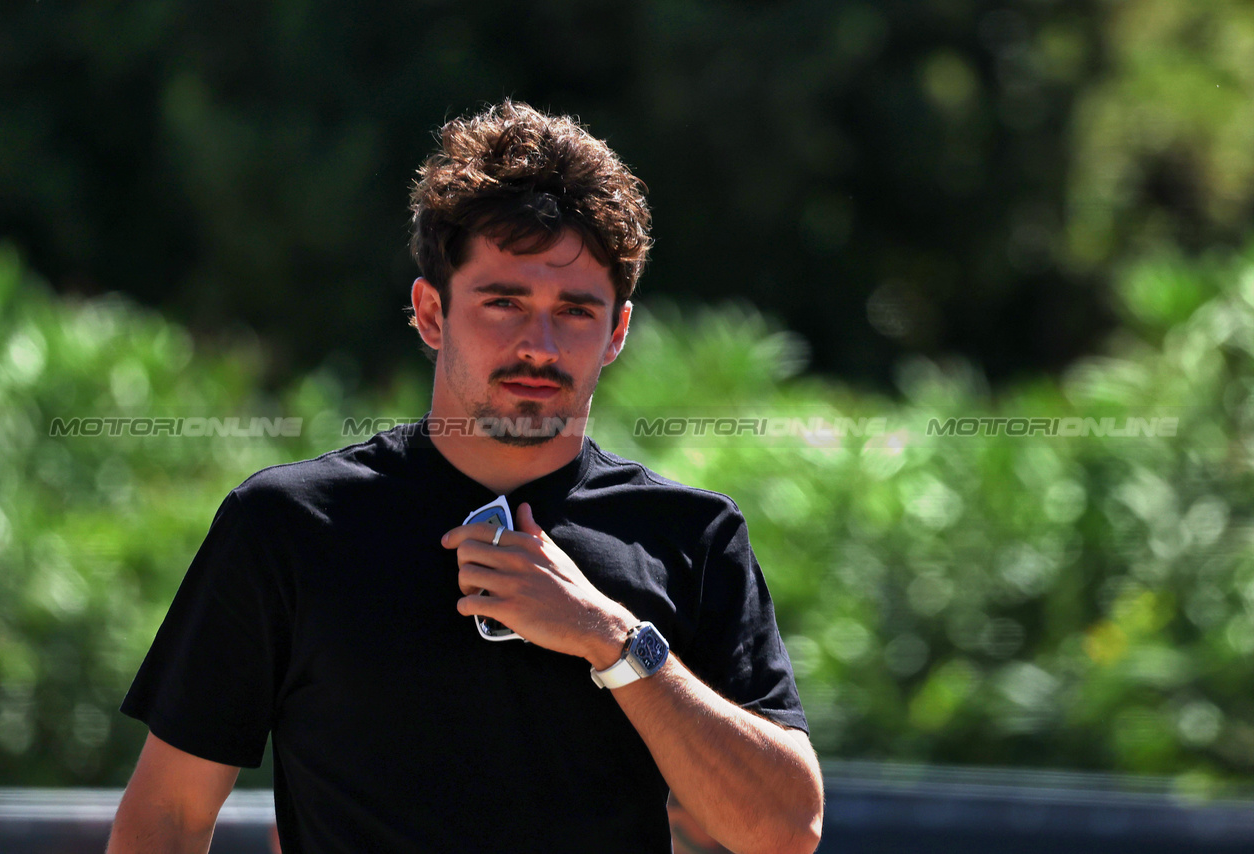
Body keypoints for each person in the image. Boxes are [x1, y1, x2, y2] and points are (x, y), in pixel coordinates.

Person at [107, 100, 824, 854]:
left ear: (617, 331)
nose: (539, 344)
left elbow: (785, 829)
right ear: (430, 313)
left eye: (575, 310)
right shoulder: (287, 525)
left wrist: (610, 638)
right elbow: (168, 819)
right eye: (504, 301)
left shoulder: (692, 536)